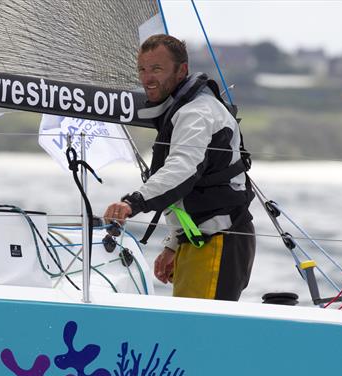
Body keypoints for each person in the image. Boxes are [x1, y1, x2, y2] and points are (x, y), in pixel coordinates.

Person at [104, 34, 255, 301]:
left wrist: (133, 203)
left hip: (217, 242)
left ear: (181, 70)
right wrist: (174, 244)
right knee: (190, 335)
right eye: (142, 69)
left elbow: (182, 169)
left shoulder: (196, 112)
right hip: (202, 241)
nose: (147, 78)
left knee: (199, 337)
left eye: (157, 69)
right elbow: (191, 193)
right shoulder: (182, 109)